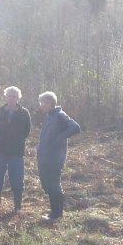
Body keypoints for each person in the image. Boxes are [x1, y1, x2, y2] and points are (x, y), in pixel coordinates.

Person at [35, 91, 81, 222]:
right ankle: (54, 212)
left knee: (53, 184)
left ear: (49, 103)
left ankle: (57, 214)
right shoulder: (50, 115)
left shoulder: (60, 115)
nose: (40, 105)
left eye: (42, 103)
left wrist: (58, 138)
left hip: (55, 158)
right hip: (45, 157)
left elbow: (75, 127)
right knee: (47, 184)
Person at [0, 86, 31, 213]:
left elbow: (27, 131)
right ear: (6, 97)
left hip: (16, 150)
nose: (11, 98)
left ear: (18, 98)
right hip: (0, 149)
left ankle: (18, 207)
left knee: (17, 178)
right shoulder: (0, 111)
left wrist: (15, 139)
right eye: (9, 95)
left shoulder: (24, 113)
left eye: (14, 96)